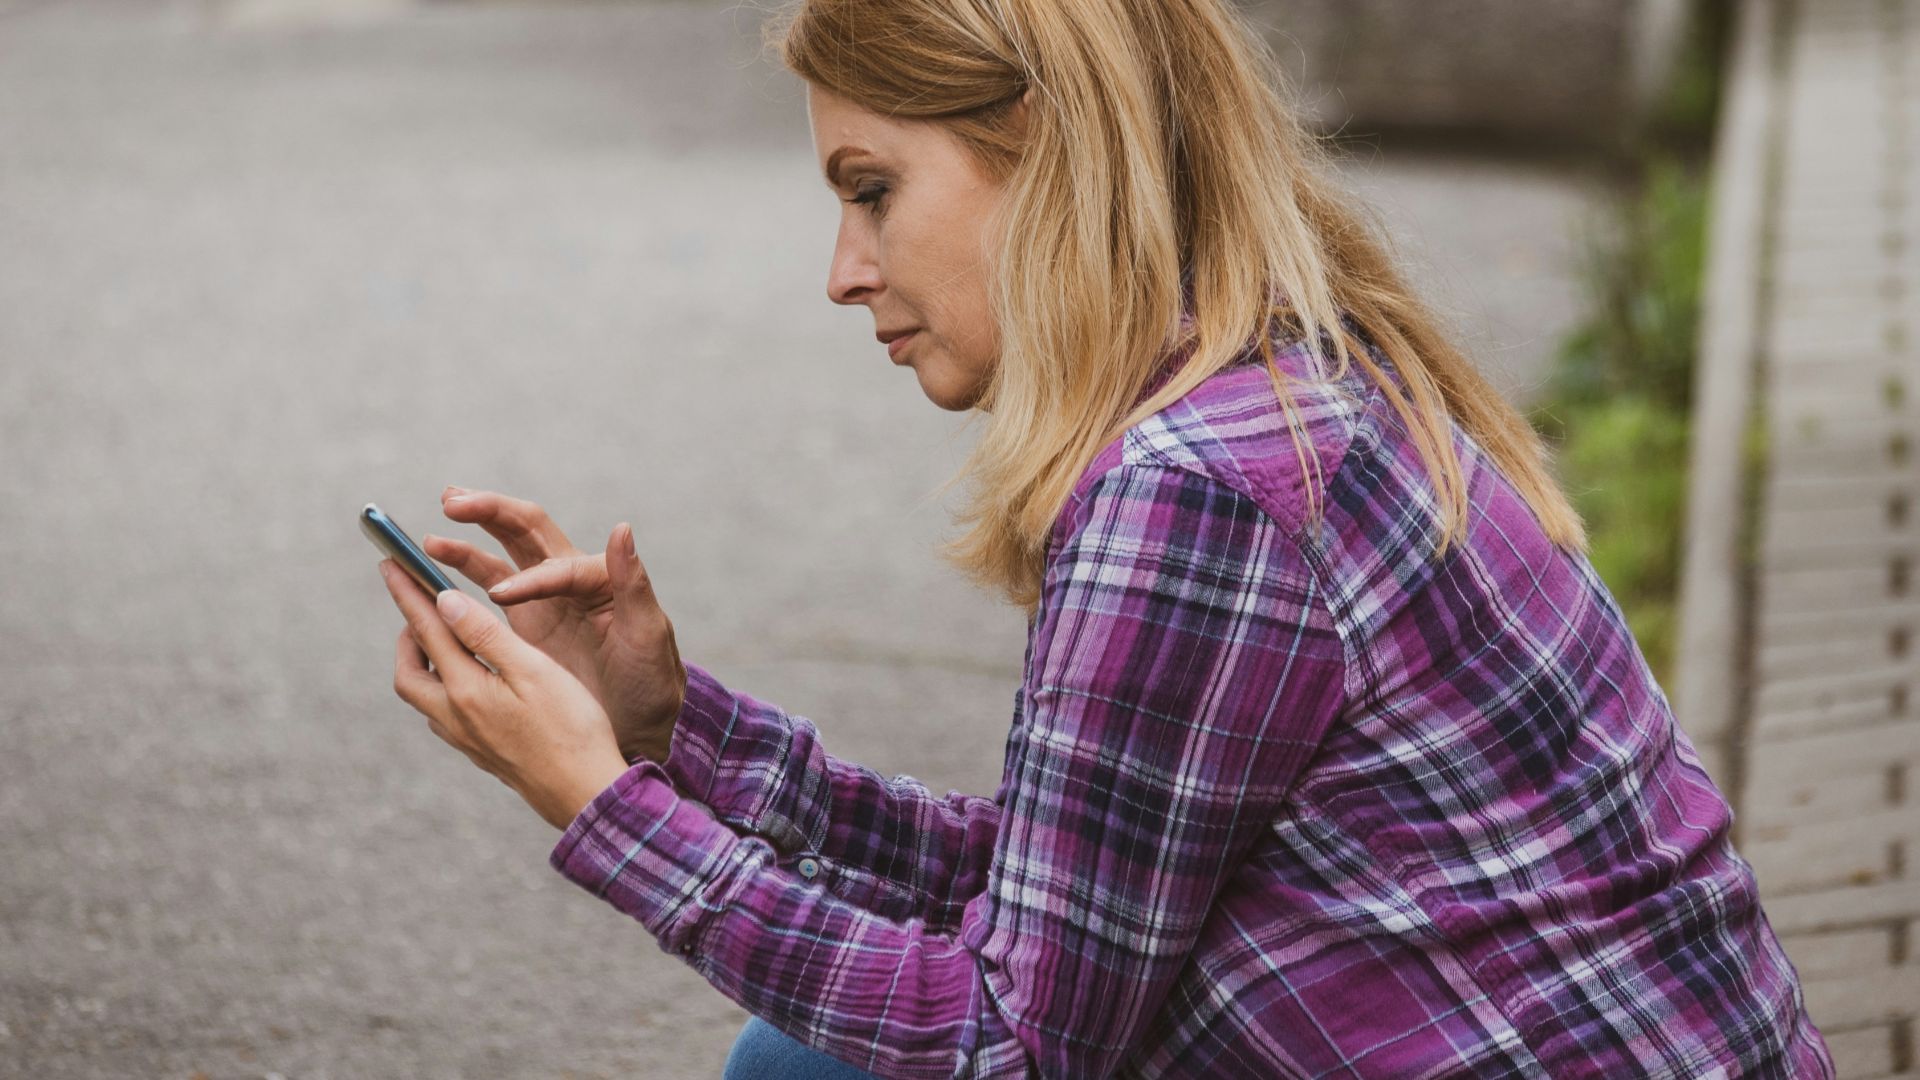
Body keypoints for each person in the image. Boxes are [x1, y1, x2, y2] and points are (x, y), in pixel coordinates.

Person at [375, 0, 1835, 1076]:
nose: (843, 273)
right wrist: (672, 730)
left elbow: (1013, 1042)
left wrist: (603, 810)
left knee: (803, 1071)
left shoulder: (1195, 487)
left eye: (873, 192)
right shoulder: (1288, 379)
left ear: (1044, 149)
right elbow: (1067, 894)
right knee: (805, 1058)